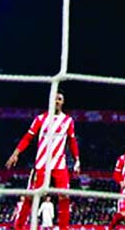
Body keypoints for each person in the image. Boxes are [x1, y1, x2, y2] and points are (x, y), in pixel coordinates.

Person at [6, 90, 80, 230]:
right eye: (55, 99)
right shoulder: (41, 119)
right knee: (31, 197)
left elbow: (72, 141)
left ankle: (64, 228)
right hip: (41, 164)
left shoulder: (68, 121)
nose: (57, 101)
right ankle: (19, 227)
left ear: (62, 102)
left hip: (59, 164)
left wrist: (77, 159)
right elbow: (28, 137)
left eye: (59, 99)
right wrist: (16, 153)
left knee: (64, 196)